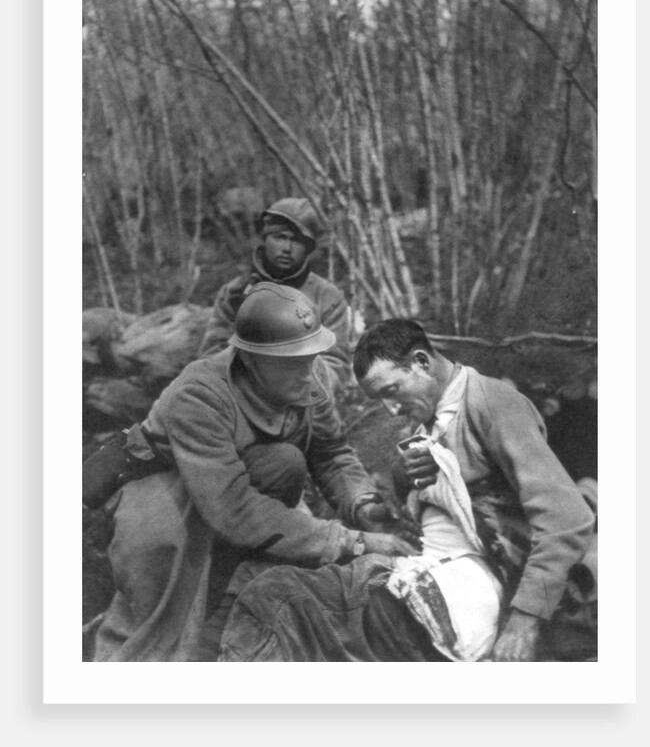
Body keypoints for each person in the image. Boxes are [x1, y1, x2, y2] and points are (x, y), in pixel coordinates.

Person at [216, 319, 596, 662]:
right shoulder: (431, 421)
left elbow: (568, 517)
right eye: (380, 400)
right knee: (256, 576)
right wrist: (405, 477)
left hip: (474, 582)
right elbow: (460, 491)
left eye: (392, 390)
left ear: (422, 362)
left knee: (277, 595)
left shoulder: (493, 403)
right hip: (432, 565)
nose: (391, 409)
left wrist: (526, 620)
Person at [88, 286, 416, 662]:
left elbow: (331, 453)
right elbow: (234, 507)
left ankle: (234, 568)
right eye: (293, 360)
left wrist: (363, 505)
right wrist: (353, 542)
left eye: (310, 356)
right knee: (163, 606)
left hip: (229, 482)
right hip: (158, 485)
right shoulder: (198, 393)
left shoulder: (308, 376)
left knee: (285, 462)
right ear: (251, 358)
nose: (309, 372)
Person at [199, 197, 352, 396]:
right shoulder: (234, 293)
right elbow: (211, 357)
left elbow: (335, 366)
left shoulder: (327, 297)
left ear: (308, 248)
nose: (287, 248)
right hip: (242, 398)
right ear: (265, 240)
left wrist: (291, 381)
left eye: (297, 240)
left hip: (304, 403)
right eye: (279, 237)